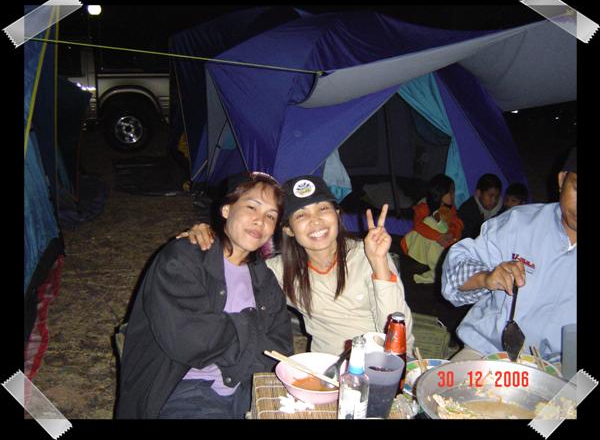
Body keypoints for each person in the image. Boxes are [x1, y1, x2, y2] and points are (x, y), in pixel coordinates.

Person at [116, 172, 293, 419]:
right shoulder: (183, 258)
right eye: (252, 207)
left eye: (270, 216)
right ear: (227, 210)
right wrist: (251, 324)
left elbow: (281, 347)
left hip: (247, 386)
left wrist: (233, 336)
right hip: (184, 389)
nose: (260, 221)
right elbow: (193, 340)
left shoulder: (264, 278)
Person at [180, 174, 415, 356]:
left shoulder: (368, 255)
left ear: (337, 215)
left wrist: (379, 263)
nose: (316, 221)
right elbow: (231, 269)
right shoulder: (279, 270)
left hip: (383, 364)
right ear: (288, 229)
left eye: (323, 209)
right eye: (301, 215)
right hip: (326, 370)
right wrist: (209, 236)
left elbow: (400, 333)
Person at [441, 147, 576, 363]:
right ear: (562, 180)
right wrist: (485, 278)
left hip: (559, 370)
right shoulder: (518, 223)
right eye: (577, 187)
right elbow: (453, 275)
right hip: (485, 352)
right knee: (444, 384)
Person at [400, 174, 464, 284]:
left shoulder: (450, 209)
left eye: (453, 191)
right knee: (430, 221)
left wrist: (451, 234)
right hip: (417, 247)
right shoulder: (424, 205)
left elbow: (457, 224)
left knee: (449, 230)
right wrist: (438, 237)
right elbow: (418, 226)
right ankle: (439, 270)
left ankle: (445, 268)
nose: (453, 195)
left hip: (438, 246)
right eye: (451, 192)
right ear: (440, 193)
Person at [457, 173, 503, 239]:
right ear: (479, 193)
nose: (494, 201)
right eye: (490, 196)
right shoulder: (466, 211)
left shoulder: (502, 212)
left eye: (497, 197)